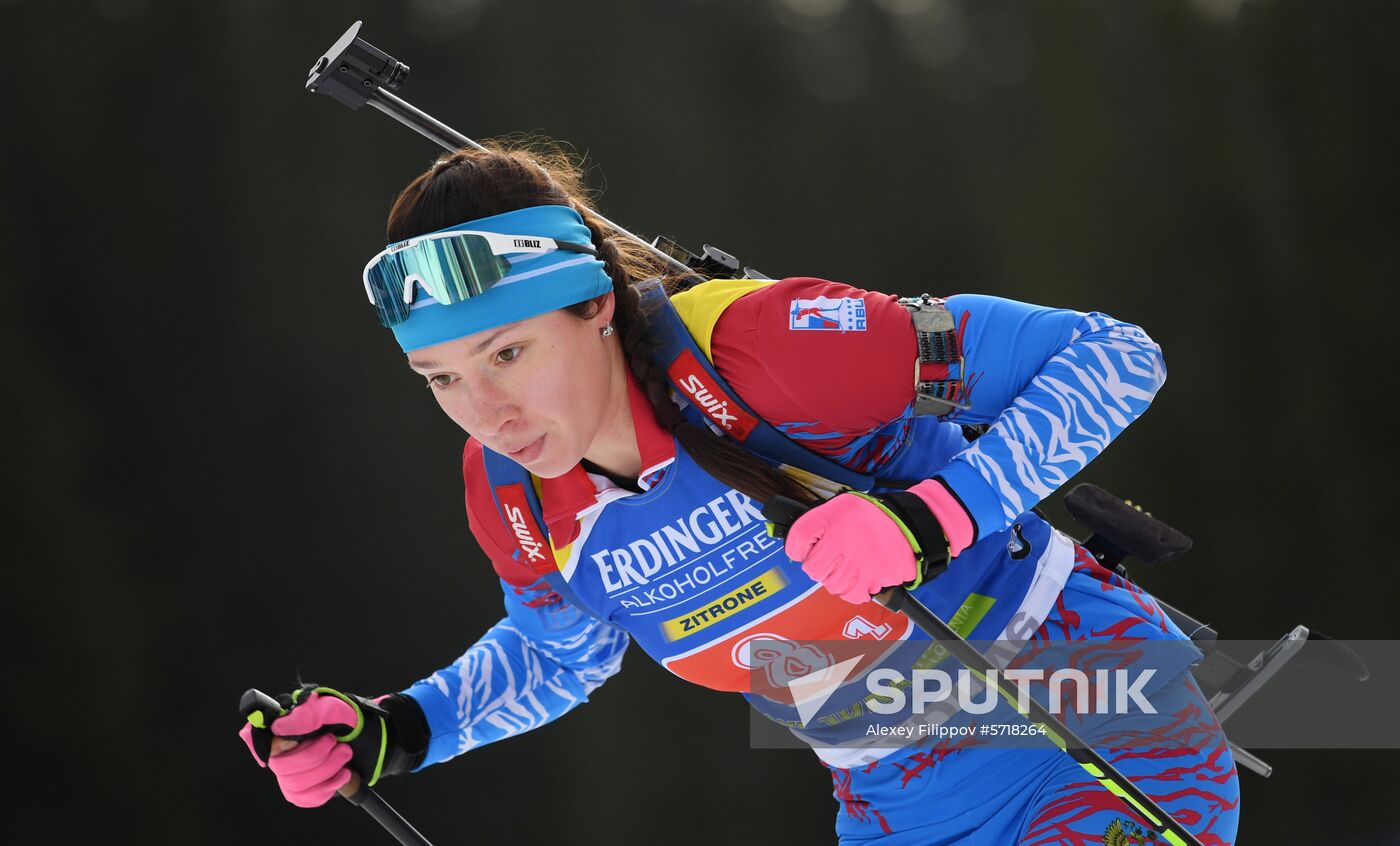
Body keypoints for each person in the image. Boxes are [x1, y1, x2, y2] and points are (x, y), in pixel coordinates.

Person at [240, 140, 1241, 844]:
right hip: (898, 808)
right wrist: (398, 730)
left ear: (591, 303)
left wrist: (929, 519)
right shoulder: (511, 494)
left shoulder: (761, 347)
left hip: (1092, 729)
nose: (487, 410)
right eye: (443, 380)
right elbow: (560, 656)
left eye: (507, 352)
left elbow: (1109, 359)